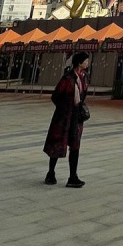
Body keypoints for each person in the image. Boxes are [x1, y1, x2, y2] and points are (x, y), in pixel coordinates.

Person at [42, 52, 90, 188]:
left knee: (75, 146)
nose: (87, 63)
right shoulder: (67, 78)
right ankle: (51, 173)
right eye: (86, 61)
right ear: (79, 63)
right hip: (63, 117)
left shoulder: (84, 77)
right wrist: (65, 108)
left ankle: (73, 176)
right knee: (57, 143)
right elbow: (55, 96)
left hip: (76, 116)